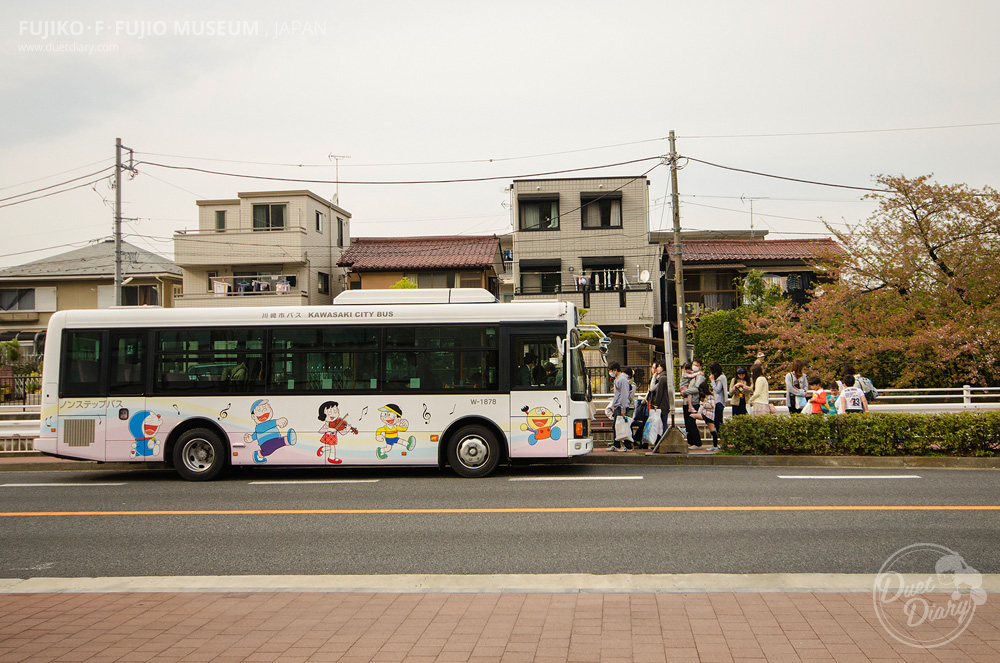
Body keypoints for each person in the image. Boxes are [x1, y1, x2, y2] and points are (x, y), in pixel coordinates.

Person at [607, 361, 633, 452]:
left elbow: (624, 395)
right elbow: (617, 395)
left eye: (611, 370)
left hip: (621, 406)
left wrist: (623, 408)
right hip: (618, 406)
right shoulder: (618, 379)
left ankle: (627, 446)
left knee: (621, 426)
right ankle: (617, 444)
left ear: (615, 370)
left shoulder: (622, 380)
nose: (610, 372)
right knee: (617, 426)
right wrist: (613, 406)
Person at [682, 360, 706, 448]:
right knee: (687, 422)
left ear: (700, 367)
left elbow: (697, 389)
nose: (694, 366)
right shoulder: (690, 374)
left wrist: (685, 391)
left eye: (697, 365)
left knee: (691, 422)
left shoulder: (699, 376)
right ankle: (690, 441)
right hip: (686, 401)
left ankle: (696, 442)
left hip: (694, 401)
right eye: (693, 365)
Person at [647, 360, 671, 439]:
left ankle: (662, 441)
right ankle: (662, 441)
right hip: (665, 404)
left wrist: (656, 404)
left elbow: (659, 392)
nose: (657, 368)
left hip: (662, 404)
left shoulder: (662, 378)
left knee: (662, 423)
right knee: (662, 423)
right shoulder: (664, 377)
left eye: (659, 366)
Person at [690, 380, 716, 449]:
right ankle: (715, 445)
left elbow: (712, 405)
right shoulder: (708, 395)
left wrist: (703, 404)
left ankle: (687, 430)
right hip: (708, 415)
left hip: (707, 414)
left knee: (691, 416)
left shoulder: (710, 395)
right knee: (712, 429)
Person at [707, 361, 727, 450]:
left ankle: (723, 442)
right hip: (717, 402)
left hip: (719, 403)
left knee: (719, 424)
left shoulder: (721, 378)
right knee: (717, 423)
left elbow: (718, 390)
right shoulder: (720, 377)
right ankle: (720, 443)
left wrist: (712, 381)